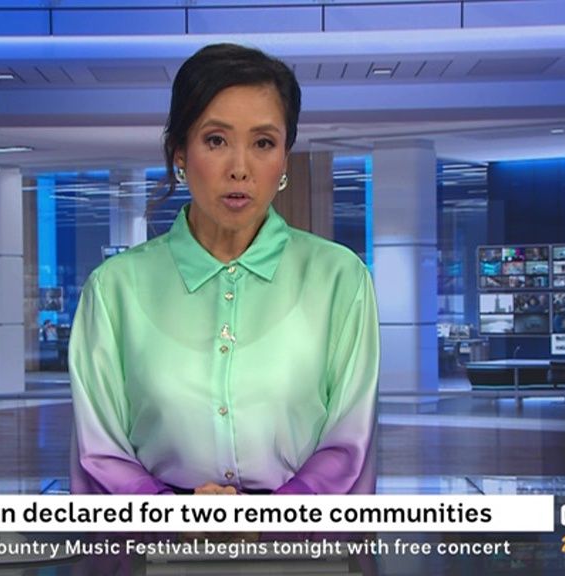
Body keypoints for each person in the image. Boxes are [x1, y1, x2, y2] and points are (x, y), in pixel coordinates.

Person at [69, 43, 380, 496]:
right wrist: (175, 519)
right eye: (216, 140)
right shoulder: (114, 289)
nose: (240, 169)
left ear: (284, 157)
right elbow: (99, 455)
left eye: (263, 143)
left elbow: (350, 450)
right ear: (179, 151)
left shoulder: (340, 279)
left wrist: (267, 522)